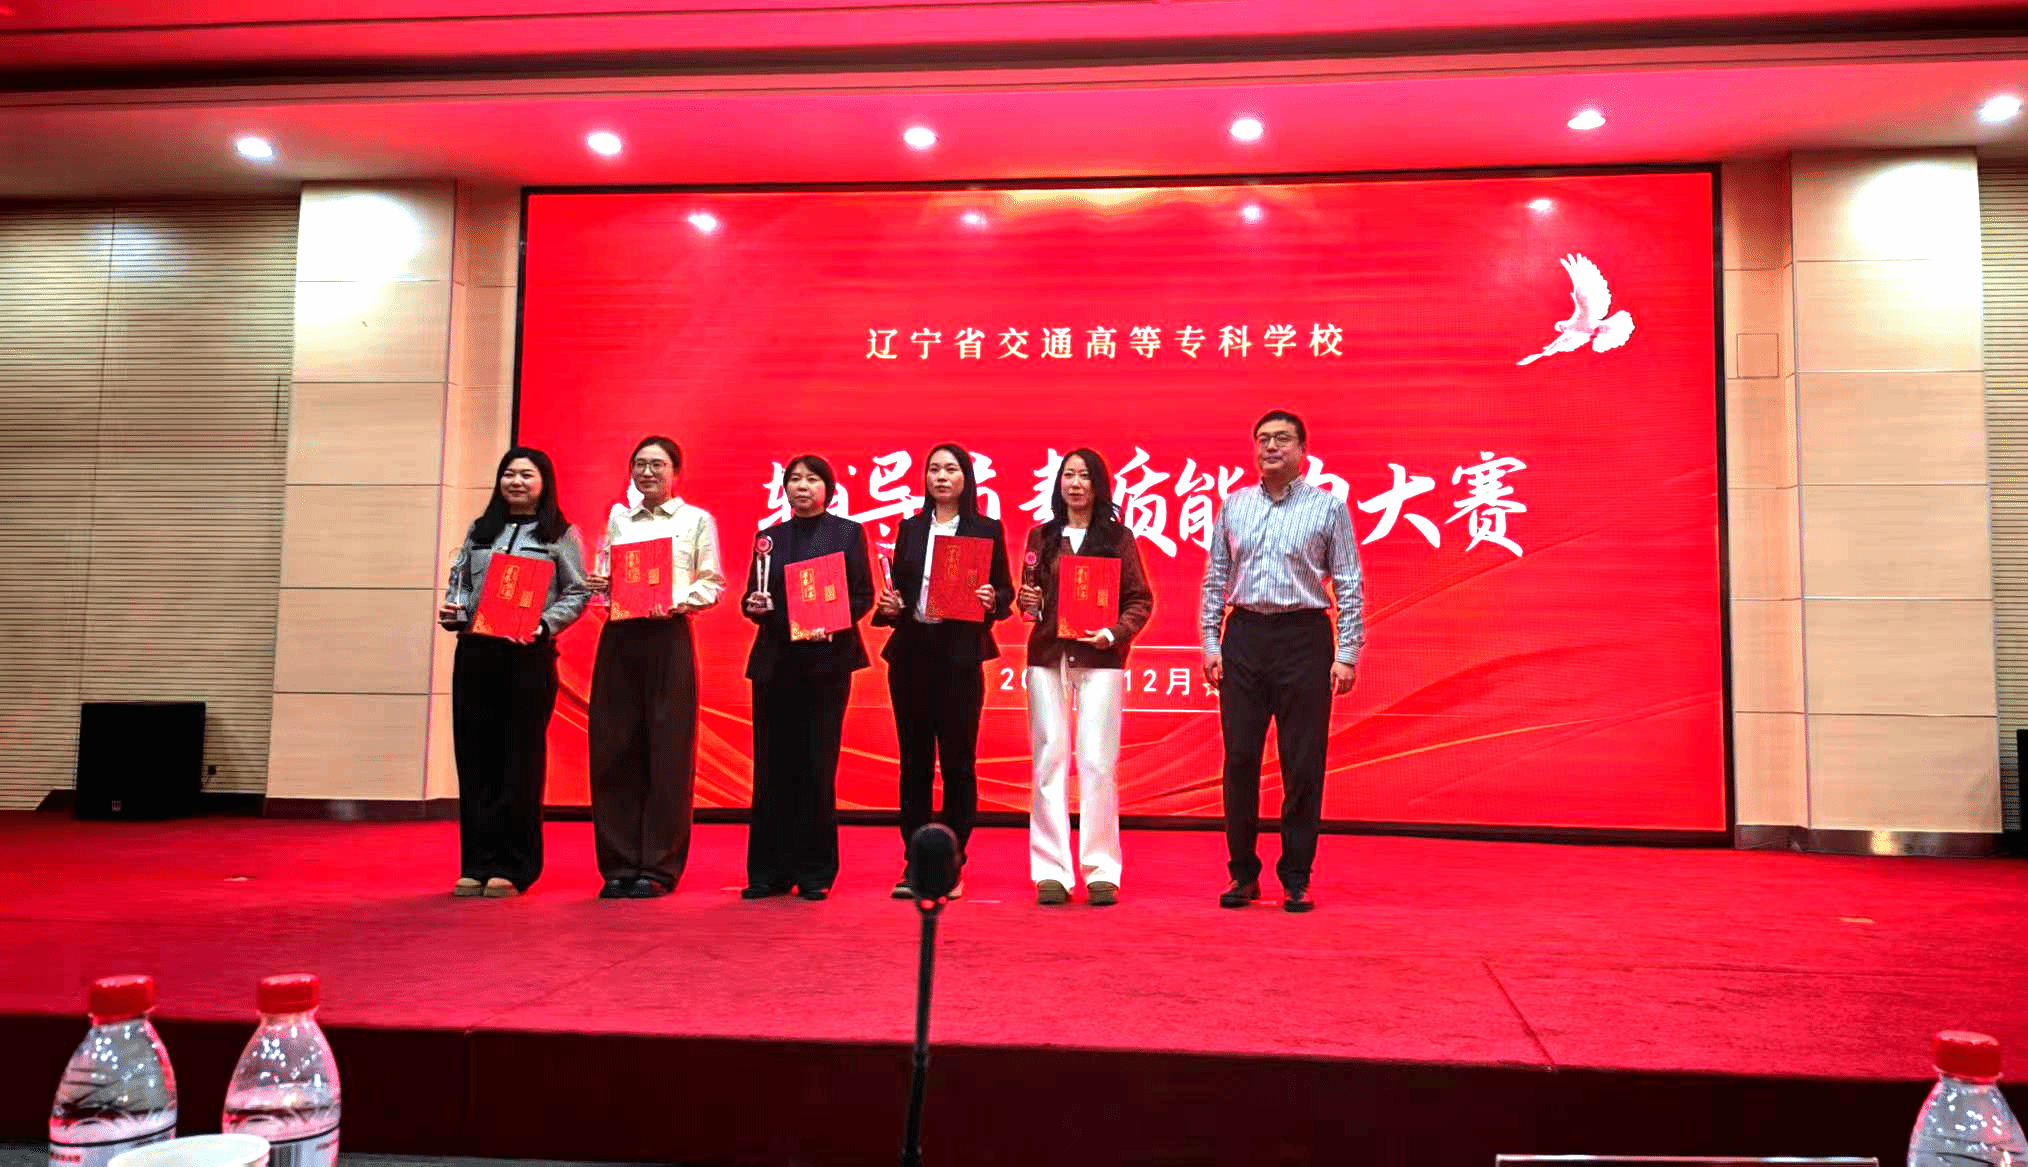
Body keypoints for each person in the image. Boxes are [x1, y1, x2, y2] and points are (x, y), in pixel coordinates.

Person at [1199, 410, 1364, 913]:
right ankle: (1242, 874)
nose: (1271, 447)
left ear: (1302, 451)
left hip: (1304, 638)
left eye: (1282, 439)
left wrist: (1347, 654)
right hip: (1244, 637)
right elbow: (1216, 578)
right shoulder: (1234, 505)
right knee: (1240, 761)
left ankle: (1296, 876)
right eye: (1263, 439)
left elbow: (1349, 581)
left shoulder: (1328, 508)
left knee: (1302, 763)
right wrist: (1211, 643)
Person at [437, 447, 589, 898]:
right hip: (476, 654)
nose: (516, 482)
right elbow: (461, 583)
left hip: (527, 658)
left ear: (544, 483)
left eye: (527, 474)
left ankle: (514, 866)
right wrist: (455, 612)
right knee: (475, 758)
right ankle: (477, 863)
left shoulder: (560, 534)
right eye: (509, 474)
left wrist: (545, 625)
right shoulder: (480, 530)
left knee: (519, 760)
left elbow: (578, 592)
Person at [583, 435, 724, 899]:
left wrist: (677, 601)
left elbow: (712, 583)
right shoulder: (618, 520)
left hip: (668, 636)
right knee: (614, 749)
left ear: (675, 472)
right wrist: (600, 585)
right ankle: (618, 864)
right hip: (620, 637)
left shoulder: (696, 520)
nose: (647, 472)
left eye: (657, 464)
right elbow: (608, 578)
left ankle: (659, 867)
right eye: (640, 464)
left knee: (668, 753)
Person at [873, 443, 1013, 900]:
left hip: (959, 657)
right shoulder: (911, 529)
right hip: (912, 655)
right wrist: (891, 605)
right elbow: (899, 591)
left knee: (957, 764)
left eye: (950, 469)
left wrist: (992, 600)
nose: (941, 477)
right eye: (933, 469)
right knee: (913, 763)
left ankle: (952, 861)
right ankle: (915, 862)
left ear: (966, 478)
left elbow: (1006, 595)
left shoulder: (985, 529)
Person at [1017, 448, 1153, 907]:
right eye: (1068, 476)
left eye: (1084, 476)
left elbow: (1139, 599)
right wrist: (1028, 603)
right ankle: (1051, 870)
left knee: (1097, 762)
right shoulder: (1042, 536)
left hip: (1100, 659)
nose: (1075, 484)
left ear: (1098, 485)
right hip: (1047, 657)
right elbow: (1029, 597)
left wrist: (1113, 632)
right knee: (1049, 759)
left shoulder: (1117, 538)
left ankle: (1101, 869)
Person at [740, 455, 875, 901]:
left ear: (828, 489)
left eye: (811, 479)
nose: (801, 486)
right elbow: (752, 596)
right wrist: (753, 605)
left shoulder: (847, 533)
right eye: (794, 479)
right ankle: (769, 872)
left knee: (817, 766)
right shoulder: (770, 538)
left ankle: (815, 872)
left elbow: (862, 595)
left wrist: (830, 621)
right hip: (776, 662)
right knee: (772, 767)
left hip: (825, 664)